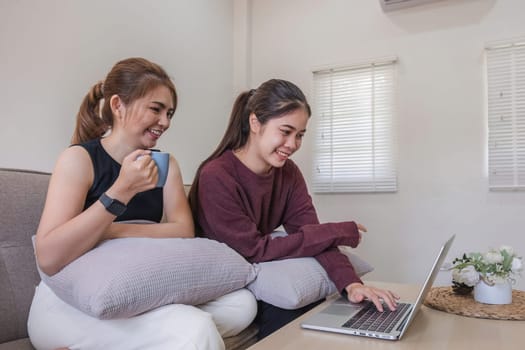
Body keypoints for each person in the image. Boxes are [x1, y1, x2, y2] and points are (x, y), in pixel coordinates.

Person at [28, 57, 256, 350]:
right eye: (156, 109)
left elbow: (183, 229)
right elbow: (48, 256)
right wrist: (121, 191)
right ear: (117, 106)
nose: (165, 122)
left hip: (131, 291)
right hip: (67, 303)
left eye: (170, 113)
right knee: (194, 329)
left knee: (242, 305)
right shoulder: (79, 160)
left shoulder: (165, 164)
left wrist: (110, 232)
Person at [188, 78, 399, 339]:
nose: (292, 144)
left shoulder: (288, 173)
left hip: (256, 269)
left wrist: (352, 284)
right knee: (286, 313)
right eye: (285, 131)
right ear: (255, 123)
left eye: (299, 135)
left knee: (323, 307)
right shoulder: (216, 176)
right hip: (223, 278)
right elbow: (253, 249)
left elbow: (311, 233)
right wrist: (336, 231)